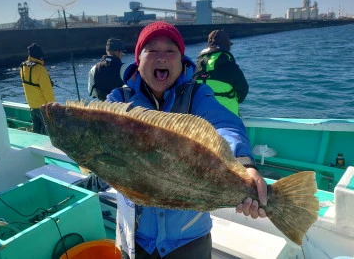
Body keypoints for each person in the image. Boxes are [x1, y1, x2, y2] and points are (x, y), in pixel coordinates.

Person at [106, 21, 267, 259]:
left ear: (182, 61)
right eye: (151, 50)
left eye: (170, 50)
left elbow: (224, 124)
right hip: (135, 234)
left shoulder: (197, 95)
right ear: (138, 60)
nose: (161, 57)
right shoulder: (118, 100)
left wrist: (243, 163)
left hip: (189, 236)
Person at [194, 29, 248, 116]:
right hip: (228, 117)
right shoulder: (230, 66)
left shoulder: (197, 65)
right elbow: (243, 90)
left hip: (202, 118)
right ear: (227, 46)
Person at [20, 43, 55, 134]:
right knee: (47, 132)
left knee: (36, 130)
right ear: (40, 56)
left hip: (32, 105)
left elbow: (32, 84)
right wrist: (53, 107)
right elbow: (47, 91)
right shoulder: (40, 69)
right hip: (42, 107)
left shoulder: (23, 67)